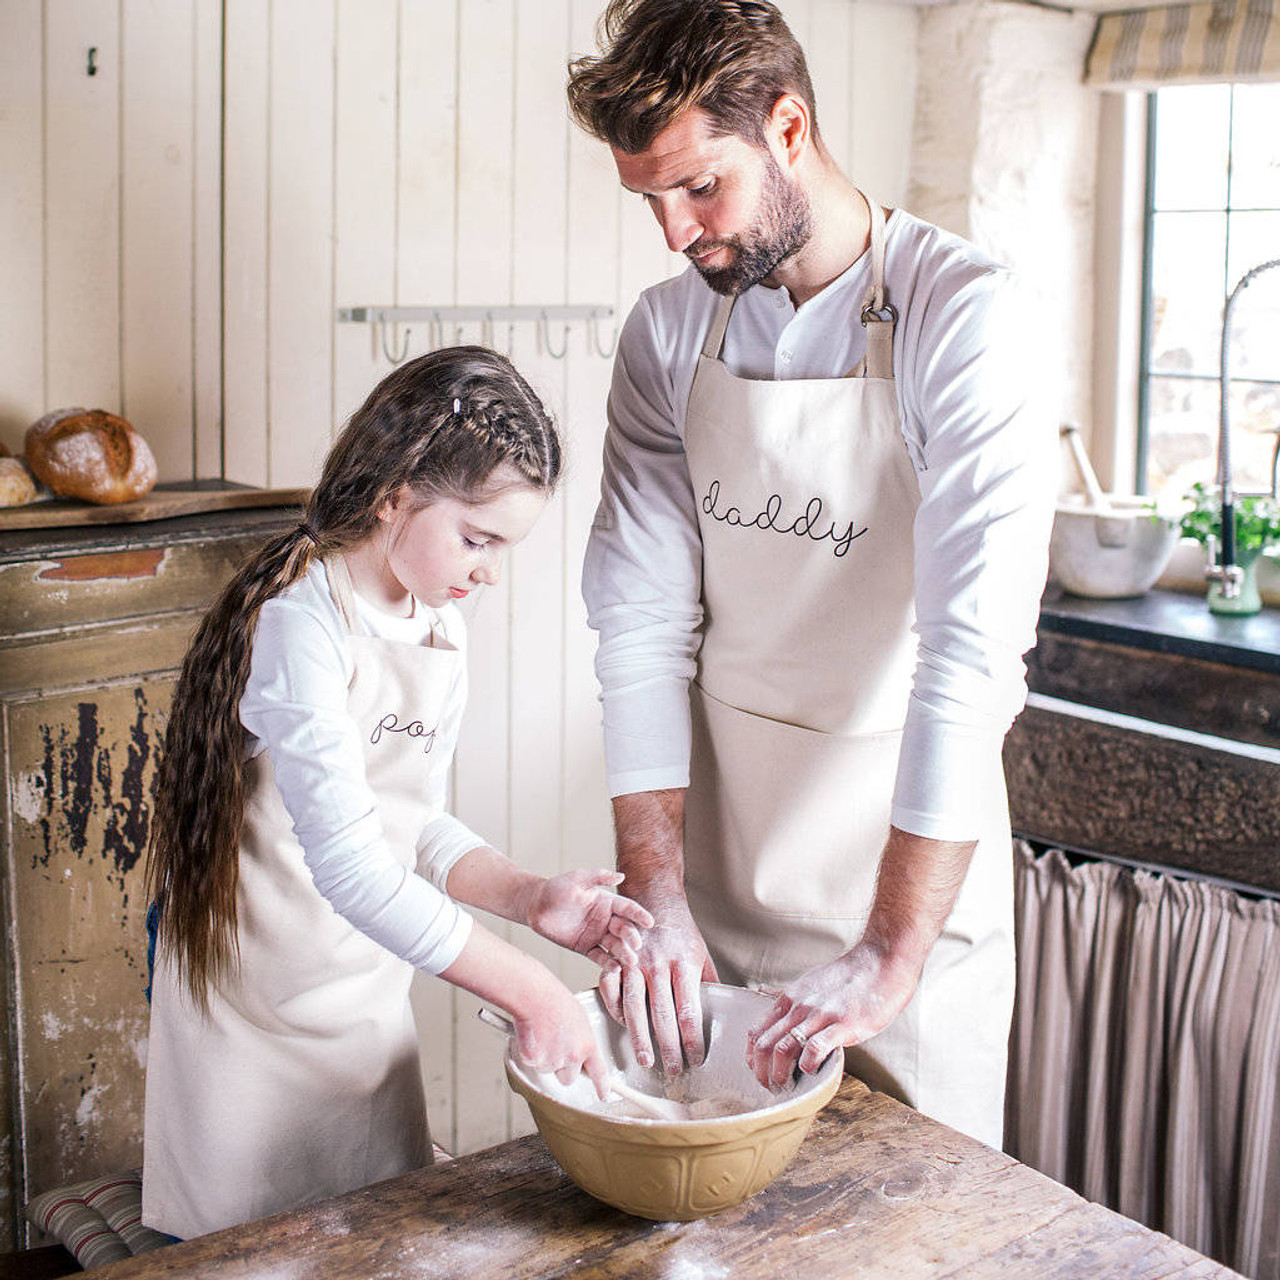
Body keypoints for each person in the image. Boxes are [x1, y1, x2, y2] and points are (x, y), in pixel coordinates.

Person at [566, 0, 1054, 1146]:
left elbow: (969, 650)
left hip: (907, 909)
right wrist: (659, 892)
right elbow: (636, 625)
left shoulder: (958, 316)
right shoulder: (664, 336)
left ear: (787, 128)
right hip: (721, 894)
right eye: (647, 198)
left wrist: (888, 951)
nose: (674, 232)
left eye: (698, 187)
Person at [142, 347, 652, 1238]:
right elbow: (351, 869)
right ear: (395, 494)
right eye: (478, 539)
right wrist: (532, 990)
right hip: (256, 1017)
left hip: (361, 1008)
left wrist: (530, 898)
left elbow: (410, 826)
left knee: (377, 1238)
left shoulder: (437, 625)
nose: (490, 570)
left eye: (504, 547)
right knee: (249, 1253)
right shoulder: (303, 624)